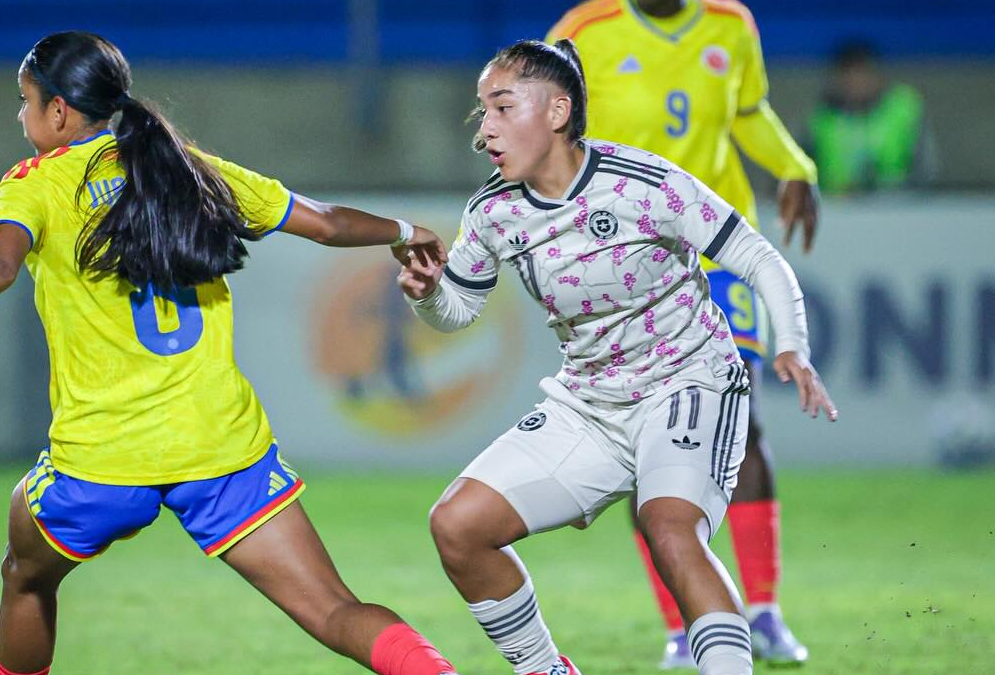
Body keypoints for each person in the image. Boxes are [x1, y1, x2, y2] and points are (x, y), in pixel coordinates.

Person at [0, 31, 459, 675]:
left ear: (61, 113)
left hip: (103, 460)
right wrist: (405, 232)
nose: (20, 116)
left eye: (24, 101)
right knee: (332, 610)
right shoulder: (184, 166)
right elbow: (323, 222)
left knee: (25, 577)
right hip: (220, 448)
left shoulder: (37, 183)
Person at [397, 40, 836, 675]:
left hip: (690, 383)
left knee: (669, 530)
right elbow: (457, 311)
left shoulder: (645, 183)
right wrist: (429, 294)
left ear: (556, 111)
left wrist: (791, 343)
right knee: (458, 526)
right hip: (591, 405)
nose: (484, 130)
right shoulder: (493, 212)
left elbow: (758, 257)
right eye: (480, 111)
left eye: (500, 106)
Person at [546, 0, 819, 665]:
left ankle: (763, 614)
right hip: (626, 266)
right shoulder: (583, 32)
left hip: (716, 252)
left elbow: (748, 114)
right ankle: (681, 625)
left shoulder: (732, 23)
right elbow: (542, 134)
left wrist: (794, 167)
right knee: (648, 444)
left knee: (743, 421)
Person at [807, 39, 937, 195]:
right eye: (848, 74)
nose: (855, 82)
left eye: (862, 73)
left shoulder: (904, 109)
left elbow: (926, 171)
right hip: (837, 210)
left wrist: (889, 187)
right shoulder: (820, 119)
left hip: (897, 207)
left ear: (876, 75)